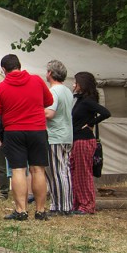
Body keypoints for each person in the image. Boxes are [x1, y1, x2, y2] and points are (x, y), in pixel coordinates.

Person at [0, 54, 53, 221]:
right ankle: (40, 211)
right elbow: (49, 100)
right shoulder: (37, 81)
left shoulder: (1, 88)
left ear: (3, 70)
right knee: (38, 170)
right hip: (37, 130)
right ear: (19, 65)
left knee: (18, 170)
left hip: (14, 131)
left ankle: (21, 210)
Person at [70, 71, 111, 215]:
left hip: (84, 140)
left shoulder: (88, 101)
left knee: (83, 173)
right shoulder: (80, 99)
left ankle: (87, 205)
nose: (74, 85)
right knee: (75, 173)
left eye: (76, 82)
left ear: (82, 85)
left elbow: (106, 112)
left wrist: (91, 123)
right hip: (76, 139)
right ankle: (78, 203)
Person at [44, 60, 74, 215]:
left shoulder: (53, 91)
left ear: (50, 73)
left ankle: (59, 206)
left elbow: (49, 112)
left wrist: (33, 110)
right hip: (67, 135)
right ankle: (67, 204)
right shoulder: (67, 90)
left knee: (55, 172)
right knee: (65, 171)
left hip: (55, 136)